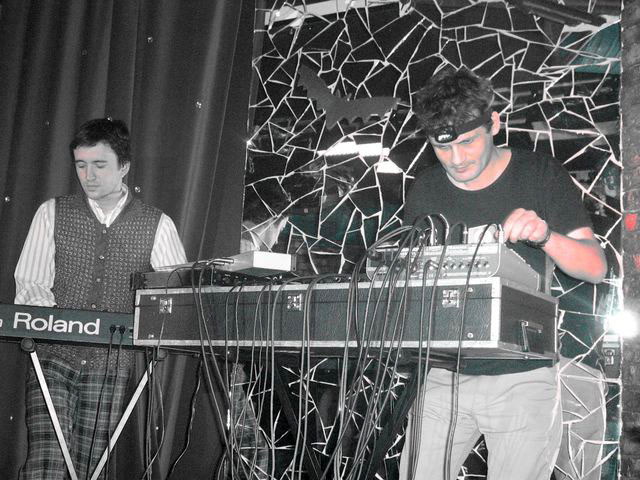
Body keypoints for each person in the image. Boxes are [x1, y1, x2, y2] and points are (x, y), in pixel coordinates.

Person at [399, 67, 607, 480]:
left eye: (467, 142)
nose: (457, 159)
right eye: (442, 147)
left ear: (494, 123)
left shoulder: (539, 173)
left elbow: (595, 267)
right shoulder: (425, 188)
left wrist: (545, 236)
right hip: (443, 373)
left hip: (523, 375)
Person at [14, 118, 187, 479]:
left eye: (99, 165)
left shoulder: (157, 224)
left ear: (124, 167)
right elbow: (30, 284)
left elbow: (175, 294)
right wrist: (55, 325)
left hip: (111, 363)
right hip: (52, 356)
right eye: (81, 165)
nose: (88, 175)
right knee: (46, 462)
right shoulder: (52, 212)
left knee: (90, 467)